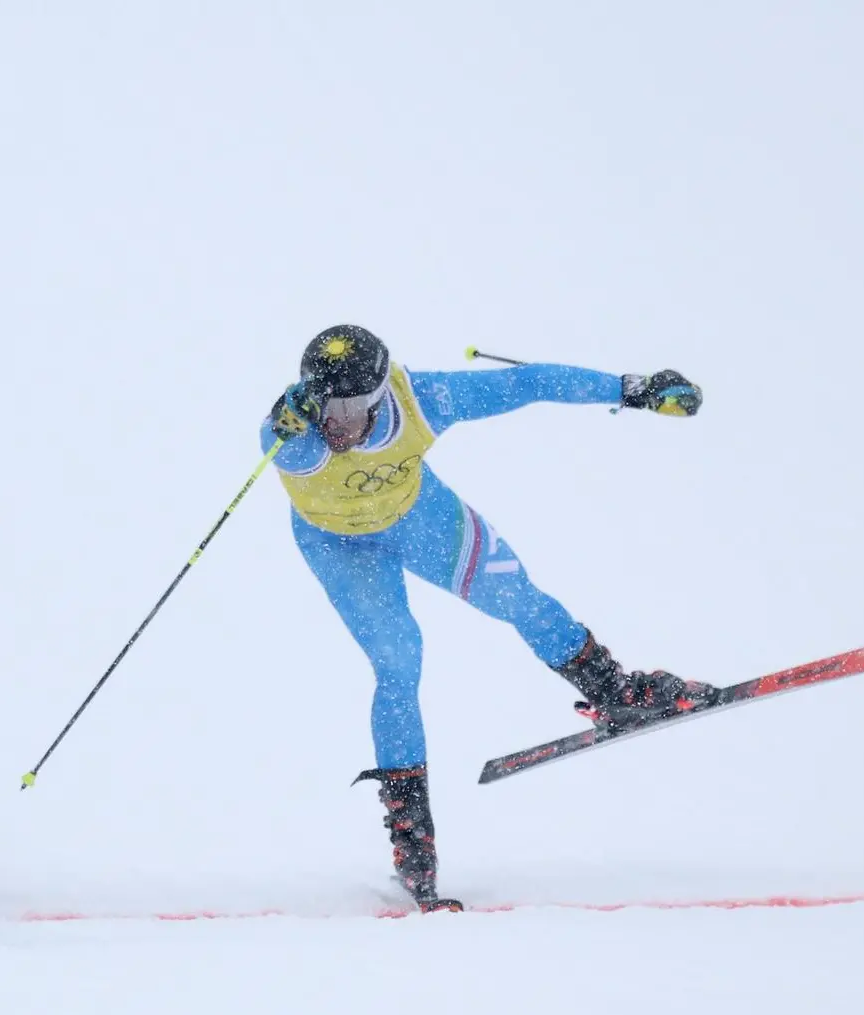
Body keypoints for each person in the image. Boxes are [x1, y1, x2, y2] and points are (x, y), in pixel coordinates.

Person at [262, 325, 715, 911]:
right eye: (326, 403)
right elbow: (273, 433)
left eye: (354, 406)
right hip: (340, 547)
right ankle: (412, 843)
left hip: (416, 515)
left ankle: (613, 691)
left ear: (380, 397)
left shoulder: (422, 400)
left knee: (520, 597)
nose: (337, 420)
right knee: (400, 662)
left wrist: (632, 389)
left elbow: (526, 384)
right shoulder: (294, 435)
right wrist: (286, 416)